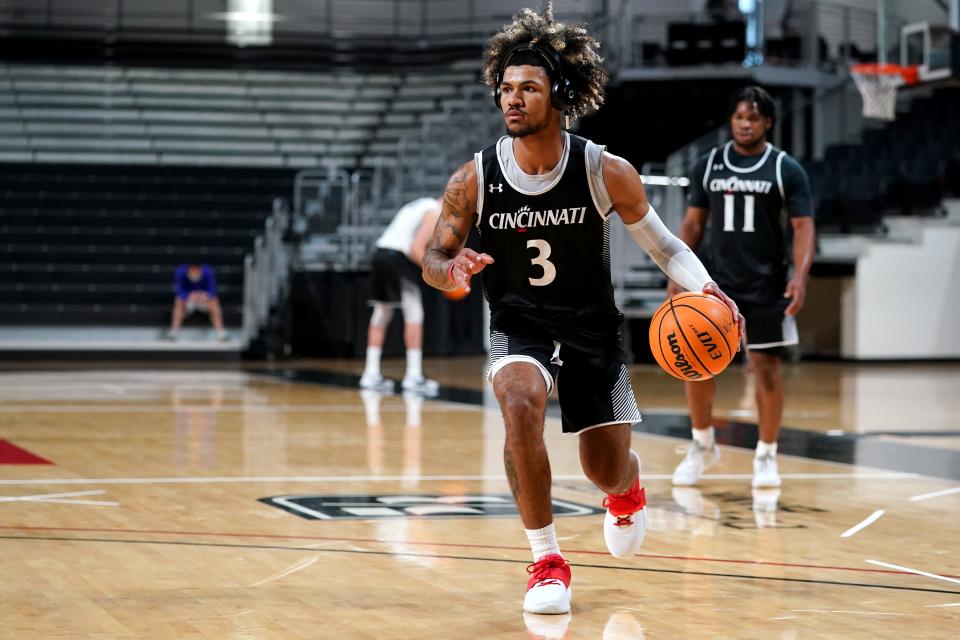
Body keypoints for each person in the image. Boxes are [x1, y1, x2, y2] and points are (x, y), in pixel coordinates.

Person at [420, 5, 743, 615]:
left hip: (593, 330)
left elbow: (666, 247)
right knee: (518, 406)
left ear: (560, 94)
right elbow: (434, 258)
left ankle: (628, 490)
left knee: (605, 470)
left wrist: (707, 290)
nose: (513, 100)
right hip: (519, 325)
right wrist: (451, 268)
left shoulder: (604, 170)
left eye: (529, 89)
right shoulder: (475, 179)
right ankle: (546, 560)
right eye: (506, 89)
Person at [669, 85, 815, 490]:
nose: (745, 124)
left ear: (767, 122)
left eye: (753, 118)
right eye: (739, 117)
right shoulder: (709, 164)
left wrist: (800, 276)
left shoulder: (786, 168)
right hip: (714, 285)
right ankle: (702, 445)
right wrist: (676, 277)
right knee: (696, 366)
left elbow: (803, 228)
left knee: (766, 370)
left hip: (767, 286)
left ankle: (767, 455)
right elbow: (693, 226)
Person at [359, 197, 442, 394]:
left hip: (379, 254)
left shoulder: (418, 203)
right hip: (396, 258)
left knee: (381, 314)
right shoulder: (435, 210)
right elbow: (415, 250)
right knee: (414, 314)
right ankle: (413, 376)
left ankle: (370, 374)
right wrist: (440, 273)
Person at [167, 261, 227, 341]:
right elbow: (179, 291)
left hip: (204, 300)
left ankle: (220, 332)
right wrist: (190, 295)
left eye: (196, 271)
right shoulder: (181, 272)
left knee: (214, 301)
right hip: (188, 300)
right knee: (179, 301)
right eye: (192, 270)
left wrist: (204, 295)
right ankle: (174, 332)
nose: (194, 273)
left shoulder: (208, 271)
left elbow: (212, 290)